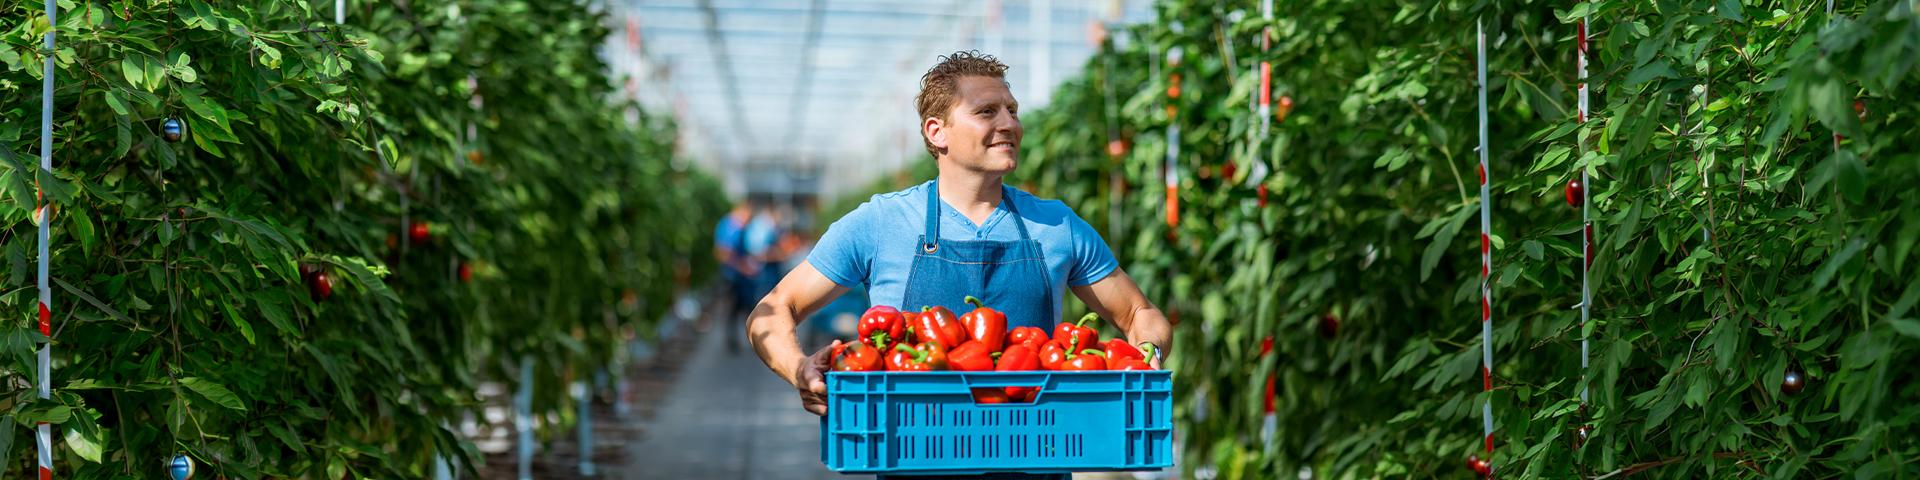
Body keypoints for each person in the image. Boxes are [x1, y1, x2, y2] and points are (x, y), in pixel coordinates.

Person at [746, 51, 1172, 480]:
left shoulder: (1056, 226)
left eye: (1012, 111)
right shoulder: (881, 222)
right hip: (913, 456)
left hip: (1033, 455)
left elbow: (1140, 313)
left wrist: (1148, 354)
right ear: (938, 132)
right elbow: (775, 308)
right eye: (987, 112)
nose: (1009, 124)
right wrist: (797, 367)